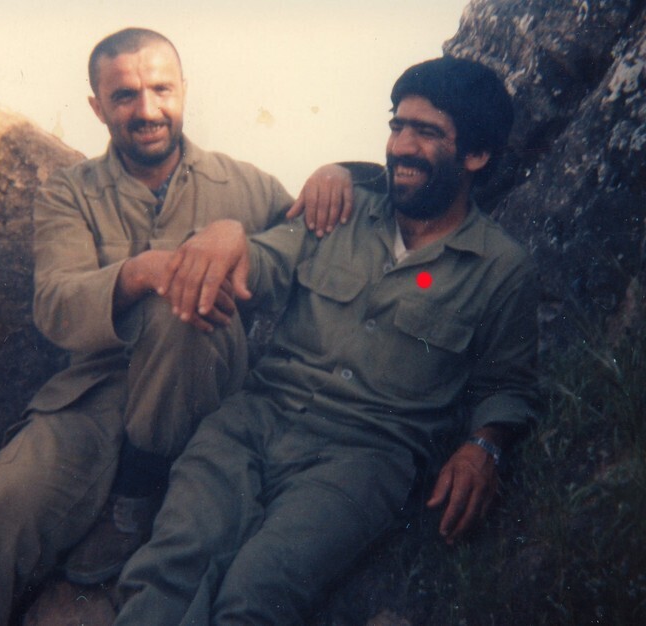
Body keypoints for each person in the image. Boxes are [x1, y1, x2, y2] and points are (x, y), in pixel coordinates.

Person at [0, 28, 353, 626]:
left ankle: (135, 504)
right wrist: (139, 272)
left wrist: (338, 171)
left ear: (184, 90)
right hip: (94, 395)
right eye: (124, 96)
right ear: (97, 107)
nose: (147, 110)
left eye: (161, 89)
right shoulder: (70, 193)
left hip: (202, 399)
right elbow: (56, 303)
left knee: (182, 305)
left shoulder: (245, 185)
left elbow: (303, 247)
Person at [113, 55, 539, 625]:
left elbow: (507, 383)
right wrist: (228, 236)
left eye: (426, 132)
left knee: (256, 594)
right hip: (251, 424)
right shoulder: (338, 210)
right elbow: (262, 261)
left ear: (476, 155)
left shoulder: (502, 268)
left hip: (365, 458)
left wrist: (483, 446)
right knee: (172, 565)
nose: (401, 146)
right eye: (397, 125)